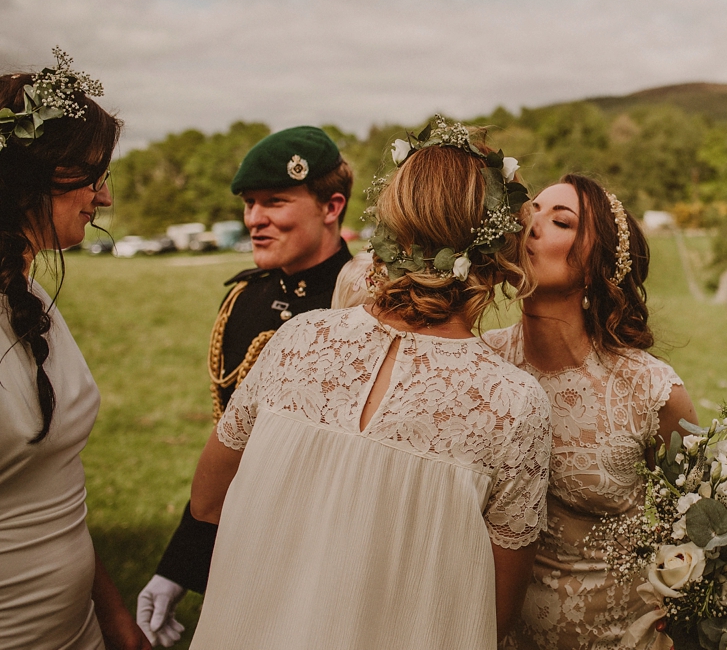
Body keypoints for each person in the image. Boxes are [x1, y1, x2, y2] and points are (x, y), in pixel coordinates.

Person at [185, 118, 552, 649]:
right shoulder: (511, 404)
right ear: (500, 248)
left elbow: (207, 501)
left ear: (390, 223)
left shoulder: (299, 338)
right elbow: (493, 612)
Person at [137, 126, 355, 646]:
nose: (255, 219)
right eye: (250, 204)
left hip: (333, 553)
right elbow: (231, 454)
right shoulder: (245, 302)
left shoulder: (367, 307)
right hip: (244, 547)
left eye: (275, 201)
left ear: (332, 207)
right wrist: (179, 567)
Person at [483, 174, 698, 650]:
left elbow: (706, 524)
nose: (531, 225)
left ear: (595, 268)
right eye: (530, 210)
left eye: (560, 221)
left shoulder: (650, 390)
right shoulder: (482, 366)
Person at [0, 51, 150, 649]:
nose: (104, 198)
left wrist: (110, 614)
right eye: (92, 175)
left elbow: (60, 483)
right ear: (33, 174)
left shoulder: (30, 296)